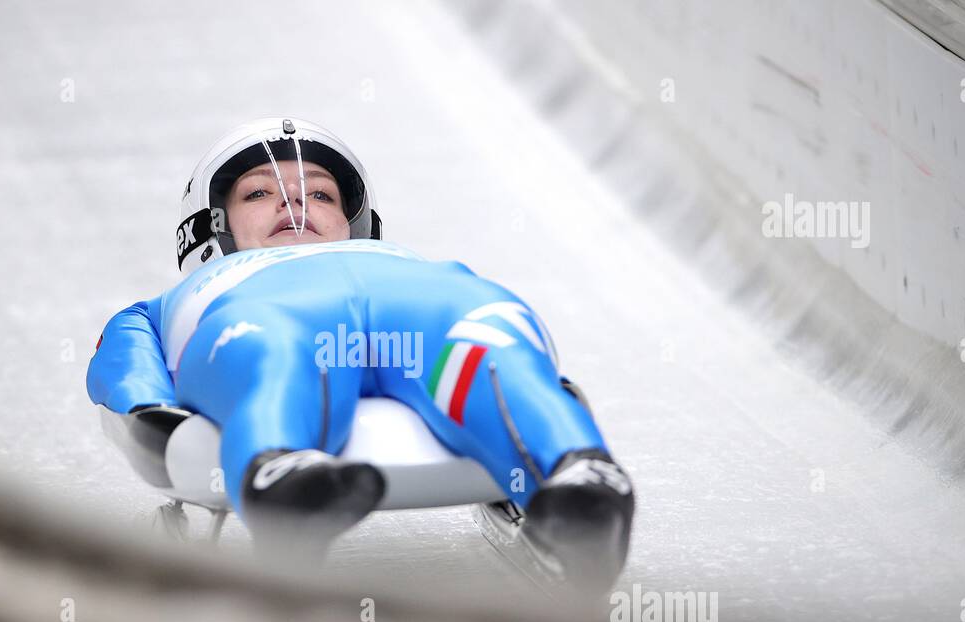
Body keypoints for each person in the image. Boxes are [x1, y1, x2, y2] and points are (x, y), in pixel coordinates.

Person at [87, 117, 635, 587]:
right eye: (258, 193)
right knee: (275, 348)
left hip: (421, 302)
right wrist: (148, 416)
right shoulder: (175, 302)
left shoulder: (406, 259)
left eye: (321, 194)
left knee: (483, 336)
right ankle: (282, 472)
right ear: (210, 229)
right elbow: (124, 360)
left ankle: (580, 478)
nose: (294, 201)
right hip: (265, 309)